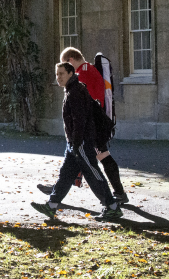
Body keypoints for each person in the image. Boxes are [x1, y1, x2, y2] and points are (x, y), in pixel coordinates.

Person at [31, 62, 123, 221]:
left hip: (81, 143)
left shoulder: (76, 92)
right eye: (57, 74)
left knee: (93, 174)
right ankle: (51, 205)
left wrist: (76, 143)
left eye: (61, 74)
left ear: (71, 74)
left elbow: (79, 121)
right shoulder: (73, 89)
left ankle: (112, 207)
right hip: (74, 142)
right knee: (66, 174)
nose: (58, 77)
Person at [60, 47, 127, 204]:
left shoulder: (83, 73)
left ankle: (115, 196)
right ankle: (58, 191)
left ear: (70, 61)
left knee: (98, 156)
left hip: (93, 125)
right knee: (92, 155)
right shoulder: (88, 69)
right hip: (95, 122)